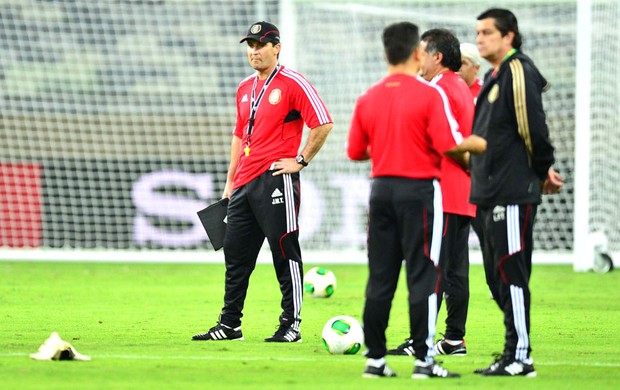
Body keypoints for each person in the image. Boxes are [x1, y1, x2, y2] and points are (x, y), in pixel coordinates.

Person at [347, 21, 486, 379]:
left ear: (385, 53)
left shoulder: (368, 96)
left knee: (380, 278)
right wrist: (487, 146)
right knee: (424, 276)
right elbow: (448, 143)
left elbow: (355, 151)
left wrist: (388, 146)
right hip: (421, 191)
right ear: (415, 53)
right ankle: (424, 360)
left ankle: (375, 361)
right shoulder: (430, 94)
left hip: (380, 190)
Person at [192, 21, 333, 343]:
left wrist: (300, 161)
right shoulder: (244, 88)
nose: (254, 50)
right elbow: (239, 134)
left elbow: (323, 123)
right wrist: (230, 182)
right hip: (243, 184)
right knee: (237, 258)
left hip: (274, 180)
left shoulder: (293, 82)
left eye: (260, 44)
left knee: (284, 251)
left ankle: (291, 325)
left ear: (276, 47)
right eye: (250, 45)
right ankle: (229, 324)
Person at [470, 9, 563, 376]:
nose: (480, 39)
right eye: (477, 32)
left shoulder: (518, 70)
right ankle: (511, 351)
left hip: (511, 191)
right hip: (488, 191)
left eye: (487, 32)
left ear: (509, 36)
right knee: (497, 277)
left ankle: (521, 355)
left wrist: (543, 170)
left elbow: (532, 127)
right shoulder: (495, 75)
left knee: (510, 273)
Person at [387, 28, 475, 358]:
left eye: (423, 53)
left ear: (436, 57)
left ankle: (421, 339)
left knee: (433, 268)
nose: (418, 59)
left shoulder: (438, 89)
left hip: (444, 191)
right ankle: (453, 339)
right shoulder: (460, 87)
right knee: (455, 269)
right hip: (461, 193)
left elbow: (448, 140)